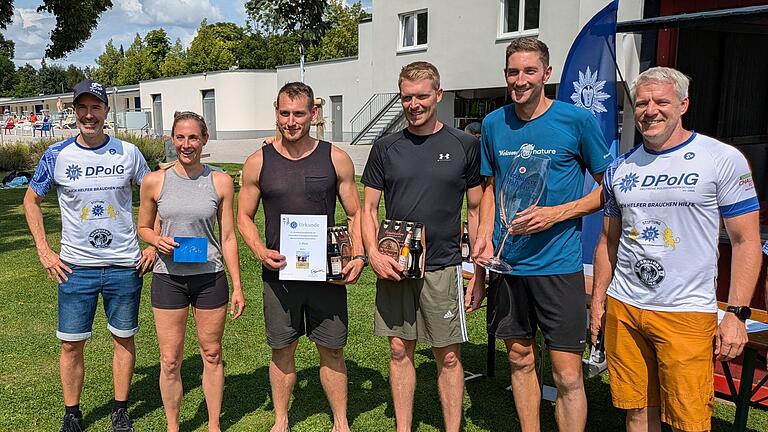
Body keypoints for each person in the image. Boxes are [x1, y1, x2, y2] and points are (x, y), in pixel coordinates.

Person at [590, 66, 761, 432]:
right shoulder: (621, 166)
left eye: (661, 101)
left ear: (683, 104)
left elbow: (747, 242)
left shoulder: (721, 158)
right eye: (642, 103)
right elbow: (608, 241)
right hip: (626, 306)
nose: (650, 110)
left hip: (686, 312)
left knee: (689, 421)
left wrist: (736, 314)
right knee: (637, 410)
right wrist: (599, 303)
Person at [468, 37, 612, 432]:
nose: (521, 79)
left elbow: (609, 188)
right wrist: (483, 236)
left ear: (547, 74)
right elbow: (490, 186)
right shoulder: (495, 124)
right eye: (513, 72)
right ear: (505, 76)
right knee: (519, 358)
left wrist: (555, 214)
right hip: (507, 265)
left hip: (557, 266)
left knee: (566, 373)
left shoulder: (576, 121)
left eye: (530, 71)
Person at [23, 78, 155, 432]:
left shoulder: (129, 153)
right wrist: (44, 251)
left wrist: (154, 243)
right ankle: (72, 413)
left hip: (124, 265)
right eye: (82, 108)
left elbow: (157, 194)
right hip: (75, 268)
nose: (88, 114)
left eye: (95, 107)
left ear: (107, 112)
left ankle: (121, 409)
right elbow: (30, 200)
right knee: (70, 345)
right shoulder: (57, 155)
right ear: (74, 111)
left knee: (123, 338)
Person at [361, 61, 483, 432]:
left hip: (443, 267)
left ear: (438, 95)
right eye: (407, 97)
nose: (414, 104)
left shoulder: (464, 145)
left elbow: (476, 208)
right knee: (399, 350)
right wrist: (374, 254)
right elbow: (367, 208)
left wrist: (476, 270)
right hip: (396, 267)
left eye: (422, 96)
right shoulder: (385, 147)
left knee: (447, 356)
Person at [237, 82, 365, 432]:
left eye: (299, 114)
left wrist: (358, 254)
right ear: (275, 112)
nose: (291, 121)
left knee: (333, 350)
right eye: (284, 113)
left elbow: (355, 214)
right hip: (280, 277)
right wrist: (260, 250)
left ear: (313, 114)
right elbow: (243, 217)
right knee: (282, 350)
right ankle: (281, 419)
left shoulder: (335, 158)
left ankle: (341, 422)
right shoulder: (257, 162)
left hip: (326, 276)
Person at [137, 111, 246, 432]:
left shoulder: (220, 180)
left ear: (204, 140)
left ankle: (213, 425)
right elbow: (142, 226)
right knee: (170, 360)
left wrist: (237, 285)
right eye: (181, 137)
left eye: (193, 138)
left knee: (211, 353)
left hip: (209, 278)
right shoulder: (154, 181)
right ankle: (174, 426)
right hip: (168, 279)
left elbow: (228, 237)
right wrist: (157, 239)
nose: (187, 144)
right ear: (172, 139)